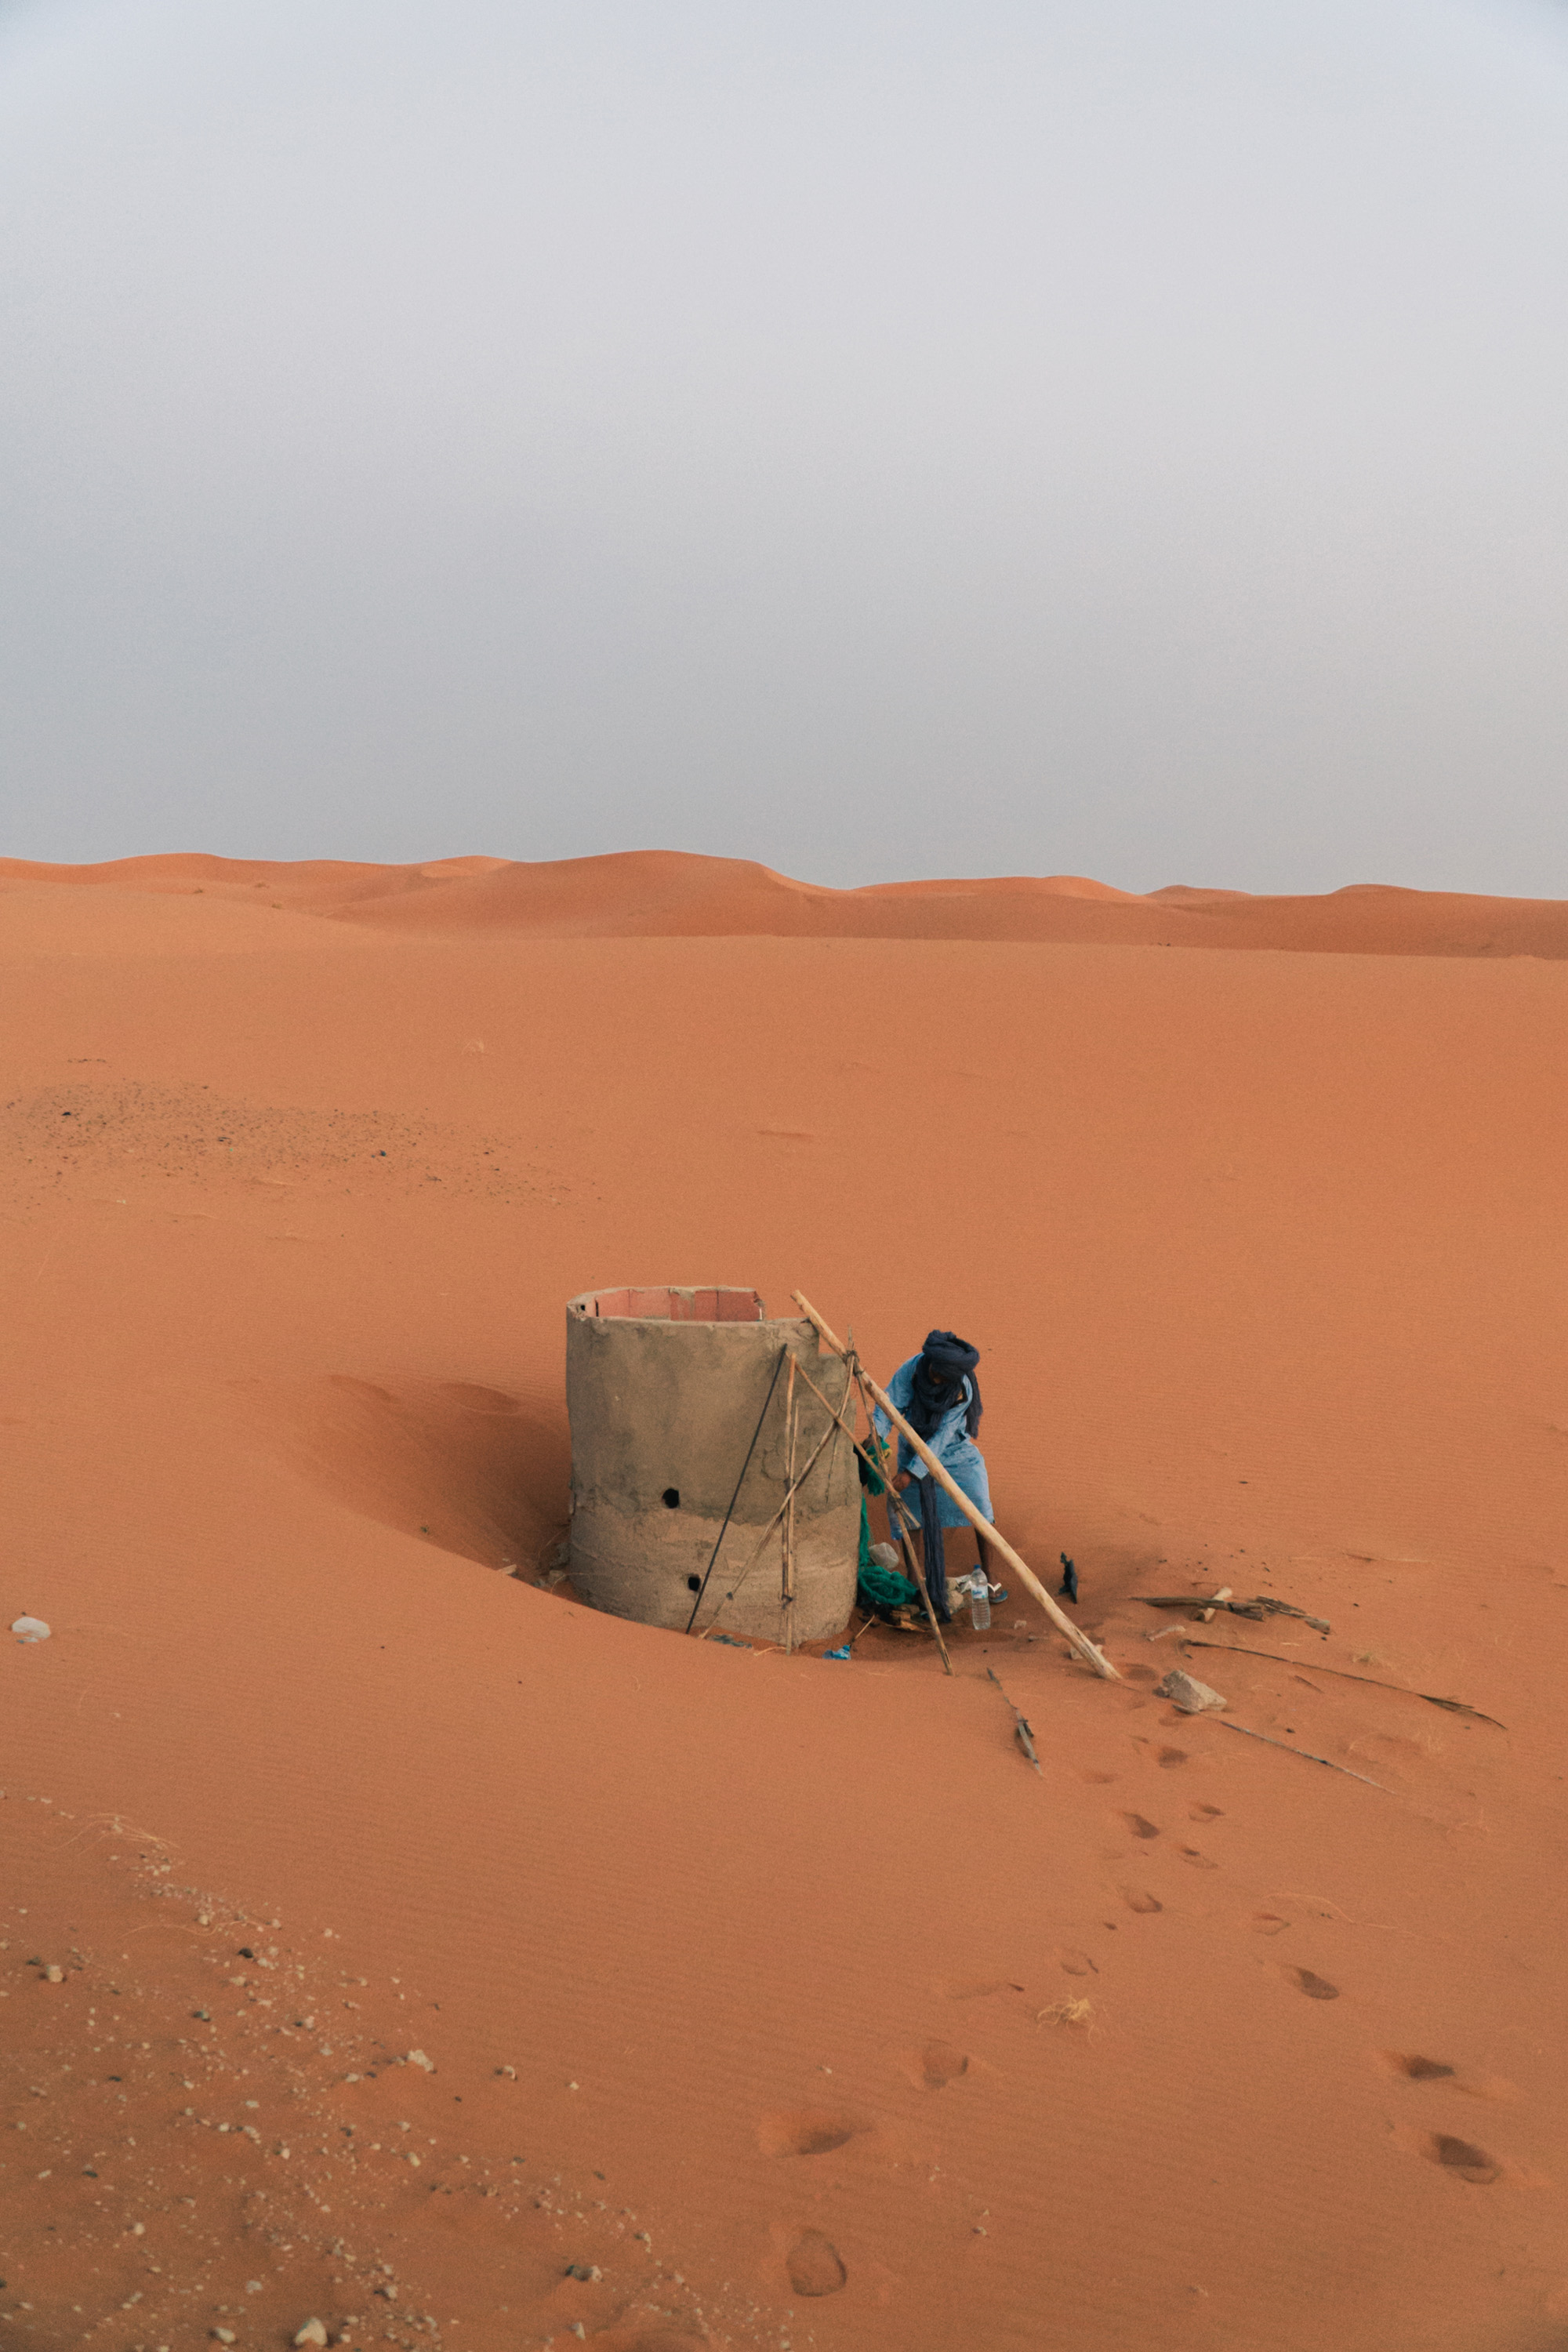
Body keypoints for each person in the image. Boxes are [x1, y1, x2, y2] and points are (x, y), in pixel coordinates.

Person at [874, 1329, 999, 1621]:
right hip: (911, 1441)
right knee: (908, 1514)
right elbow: (888, 1406)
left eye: (944, 1378)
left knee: (981, 1507)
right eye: (936, 1374)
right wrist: (877, 1437)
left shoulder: (962, 1388)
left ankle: (991, 1580)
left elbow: (941, 1438)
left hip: (955, 1451)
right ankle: (916, 1583)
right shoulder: (911, 1371)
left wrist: (911, 1473)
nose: (938, 1381)